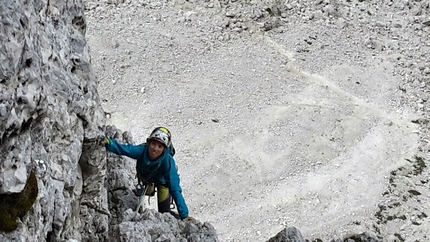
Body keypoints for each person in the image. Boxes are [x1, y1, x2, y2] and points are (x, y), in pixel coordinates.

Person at [105, 127, 193, 221]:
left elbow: (175, 189)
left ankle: (175, 217)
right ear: (149, 143)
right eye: (153, 144)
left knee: (164, 213)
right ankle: (146, 191)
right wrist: (109, 143)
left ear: (164, 149)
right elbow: (125, 149)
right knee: (149, 195)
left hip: (163, 182)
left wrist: (184, 215)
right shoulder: (142, 150)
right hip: (147, 179)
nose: (155, 149)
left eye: (160, 146)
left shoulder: (168, 162)